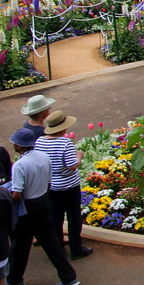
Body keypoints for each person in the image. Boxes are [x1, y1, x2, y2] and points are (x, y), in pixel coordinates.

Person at [5, 128, 79, 285]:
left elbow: (16, 194)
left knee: (20, 245)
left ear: (19, 145)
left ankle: (14, 280)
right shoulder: (43, 157)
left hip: (28, 206)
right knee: (51, 242)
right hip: (44, 201)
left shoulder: (19, 165)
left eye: (15, 143)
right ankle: (68, 278)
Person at [35, 111, 93, 261]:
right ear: (62, 128)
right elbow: (72, 165)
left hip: (51, 186)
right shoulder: (64, 143)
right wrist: (79, 155)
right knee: (73, 216)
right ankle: (76, 248)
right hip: (69, 186)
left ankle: (58, 247)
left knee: (56, 216)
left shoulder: (40, 142)